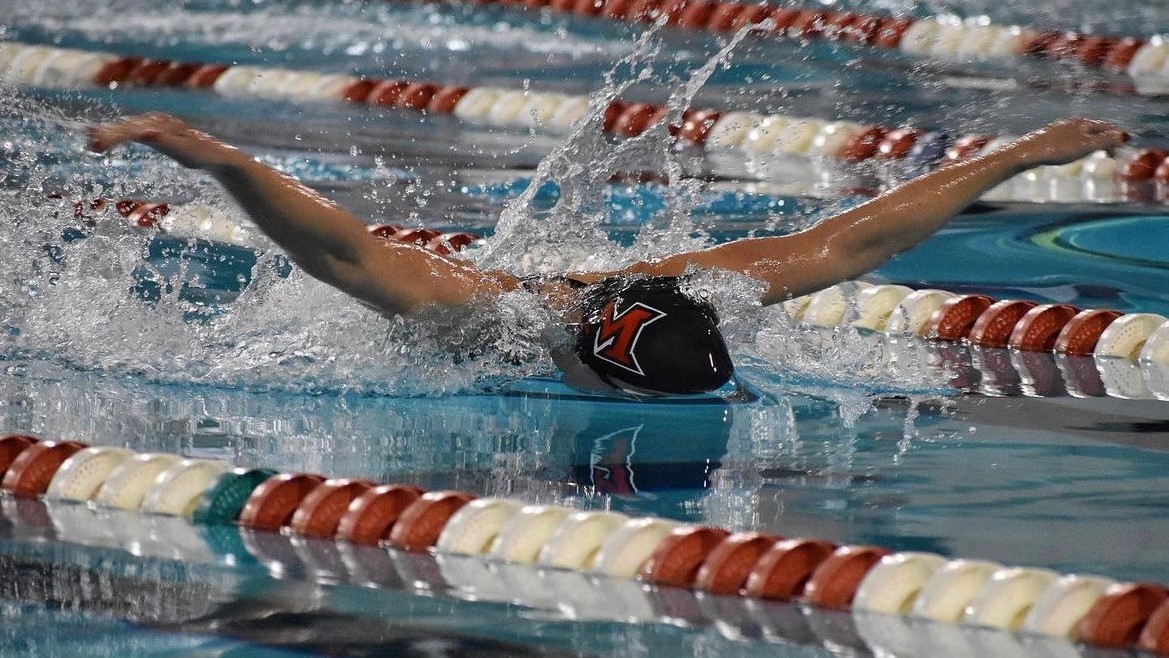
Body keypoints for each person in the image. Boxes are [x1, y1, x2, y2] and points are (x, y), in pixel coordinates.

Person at [87, 114, 1128, 395]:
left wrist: (1028, 152)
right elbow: (343, 253)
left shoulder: (706, 289)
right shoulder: (478, 313)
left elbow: (856, 239)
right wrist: (217, 161)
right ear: (585, 361)